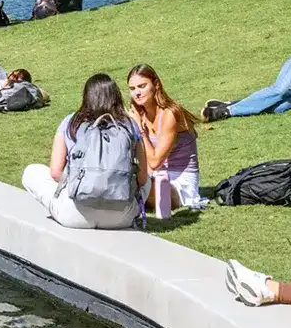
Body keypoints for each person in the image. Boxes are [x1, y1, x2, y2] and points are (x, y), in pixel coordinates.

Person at [21, 73, 143, 230]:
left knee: (31, 171)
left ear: (86, 96)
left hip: (74, 215)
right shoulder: (129, 125)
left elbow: (55, 172)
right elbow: (143, 178)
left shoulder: (72, 121)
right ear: (116, 96)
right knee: (151, 178)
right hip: (120, 217)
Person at [128, 64, 203, 218]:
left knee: (145, 186)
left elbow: (155, 162)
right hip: (152, 177)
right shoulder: (138, 114)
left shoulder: (170, 114)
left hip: (179, 184)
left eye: (142, 86)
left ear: (156, 85)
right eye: (132, 88)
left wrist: (141, 131)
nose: (137, 93)